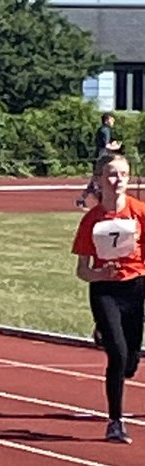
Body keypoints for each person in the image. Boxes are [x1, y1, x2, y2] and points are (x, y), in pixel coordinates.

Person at [72, 152, 145, 444]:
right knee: (116, 355)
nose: (118, 181)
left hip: (136, 287)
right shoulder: (92, 220)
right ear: (99, 180)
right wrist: (101, 275)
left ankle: (107, 332)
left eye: (123, 175)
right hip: (105, 292)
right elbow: (82, 271)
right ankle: (115, 421)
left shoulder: (140, 212)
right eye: (112, 175)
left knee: (130, 362)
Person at [77, 113, 122, 209]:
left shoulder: (102, 130)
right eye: (111, 119)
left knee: (96, 180)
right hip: (102, 158)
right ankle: (97, 201)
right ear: (107, 120)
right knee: (99, 180)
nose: (113, 121)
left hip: (100, 156)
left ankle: (82, 199)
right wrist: (117, 147)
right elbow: (106, 146)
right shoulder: (105, 130)